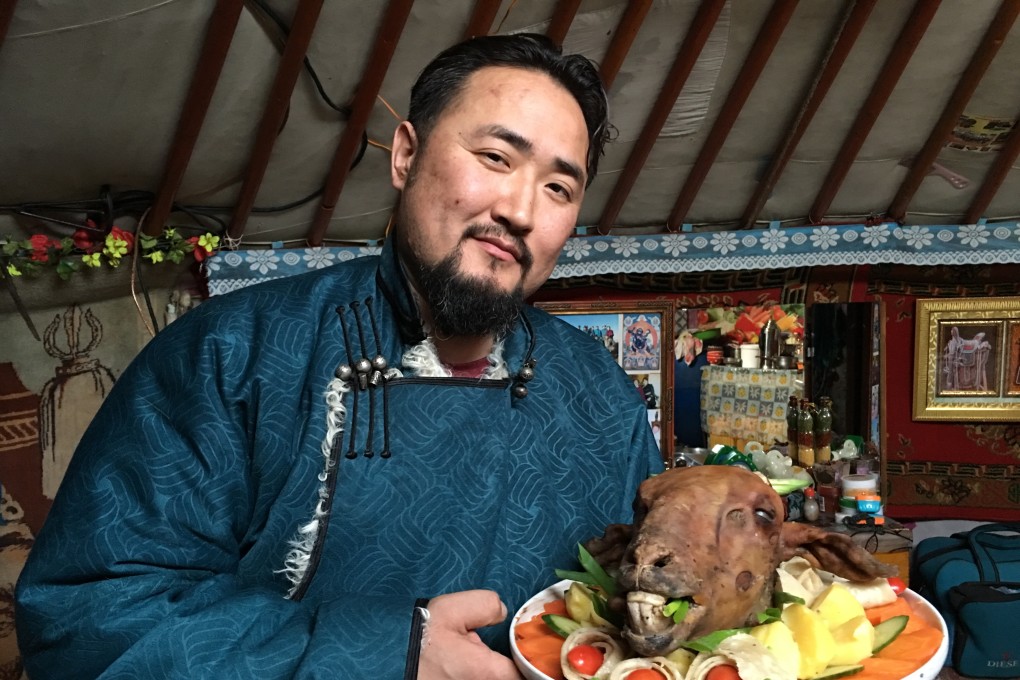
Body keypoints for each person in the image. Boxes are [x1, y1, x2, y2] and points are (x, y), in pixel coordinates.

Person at [15, 33, 663, 679]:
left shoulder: (599, 395)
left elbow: (653, 595)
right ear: (405, 155)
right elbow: (86, 627)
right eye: (496, 157)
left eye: (558, 188)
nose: (520, 210)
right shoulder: (231, 356)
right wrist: (382, 653)